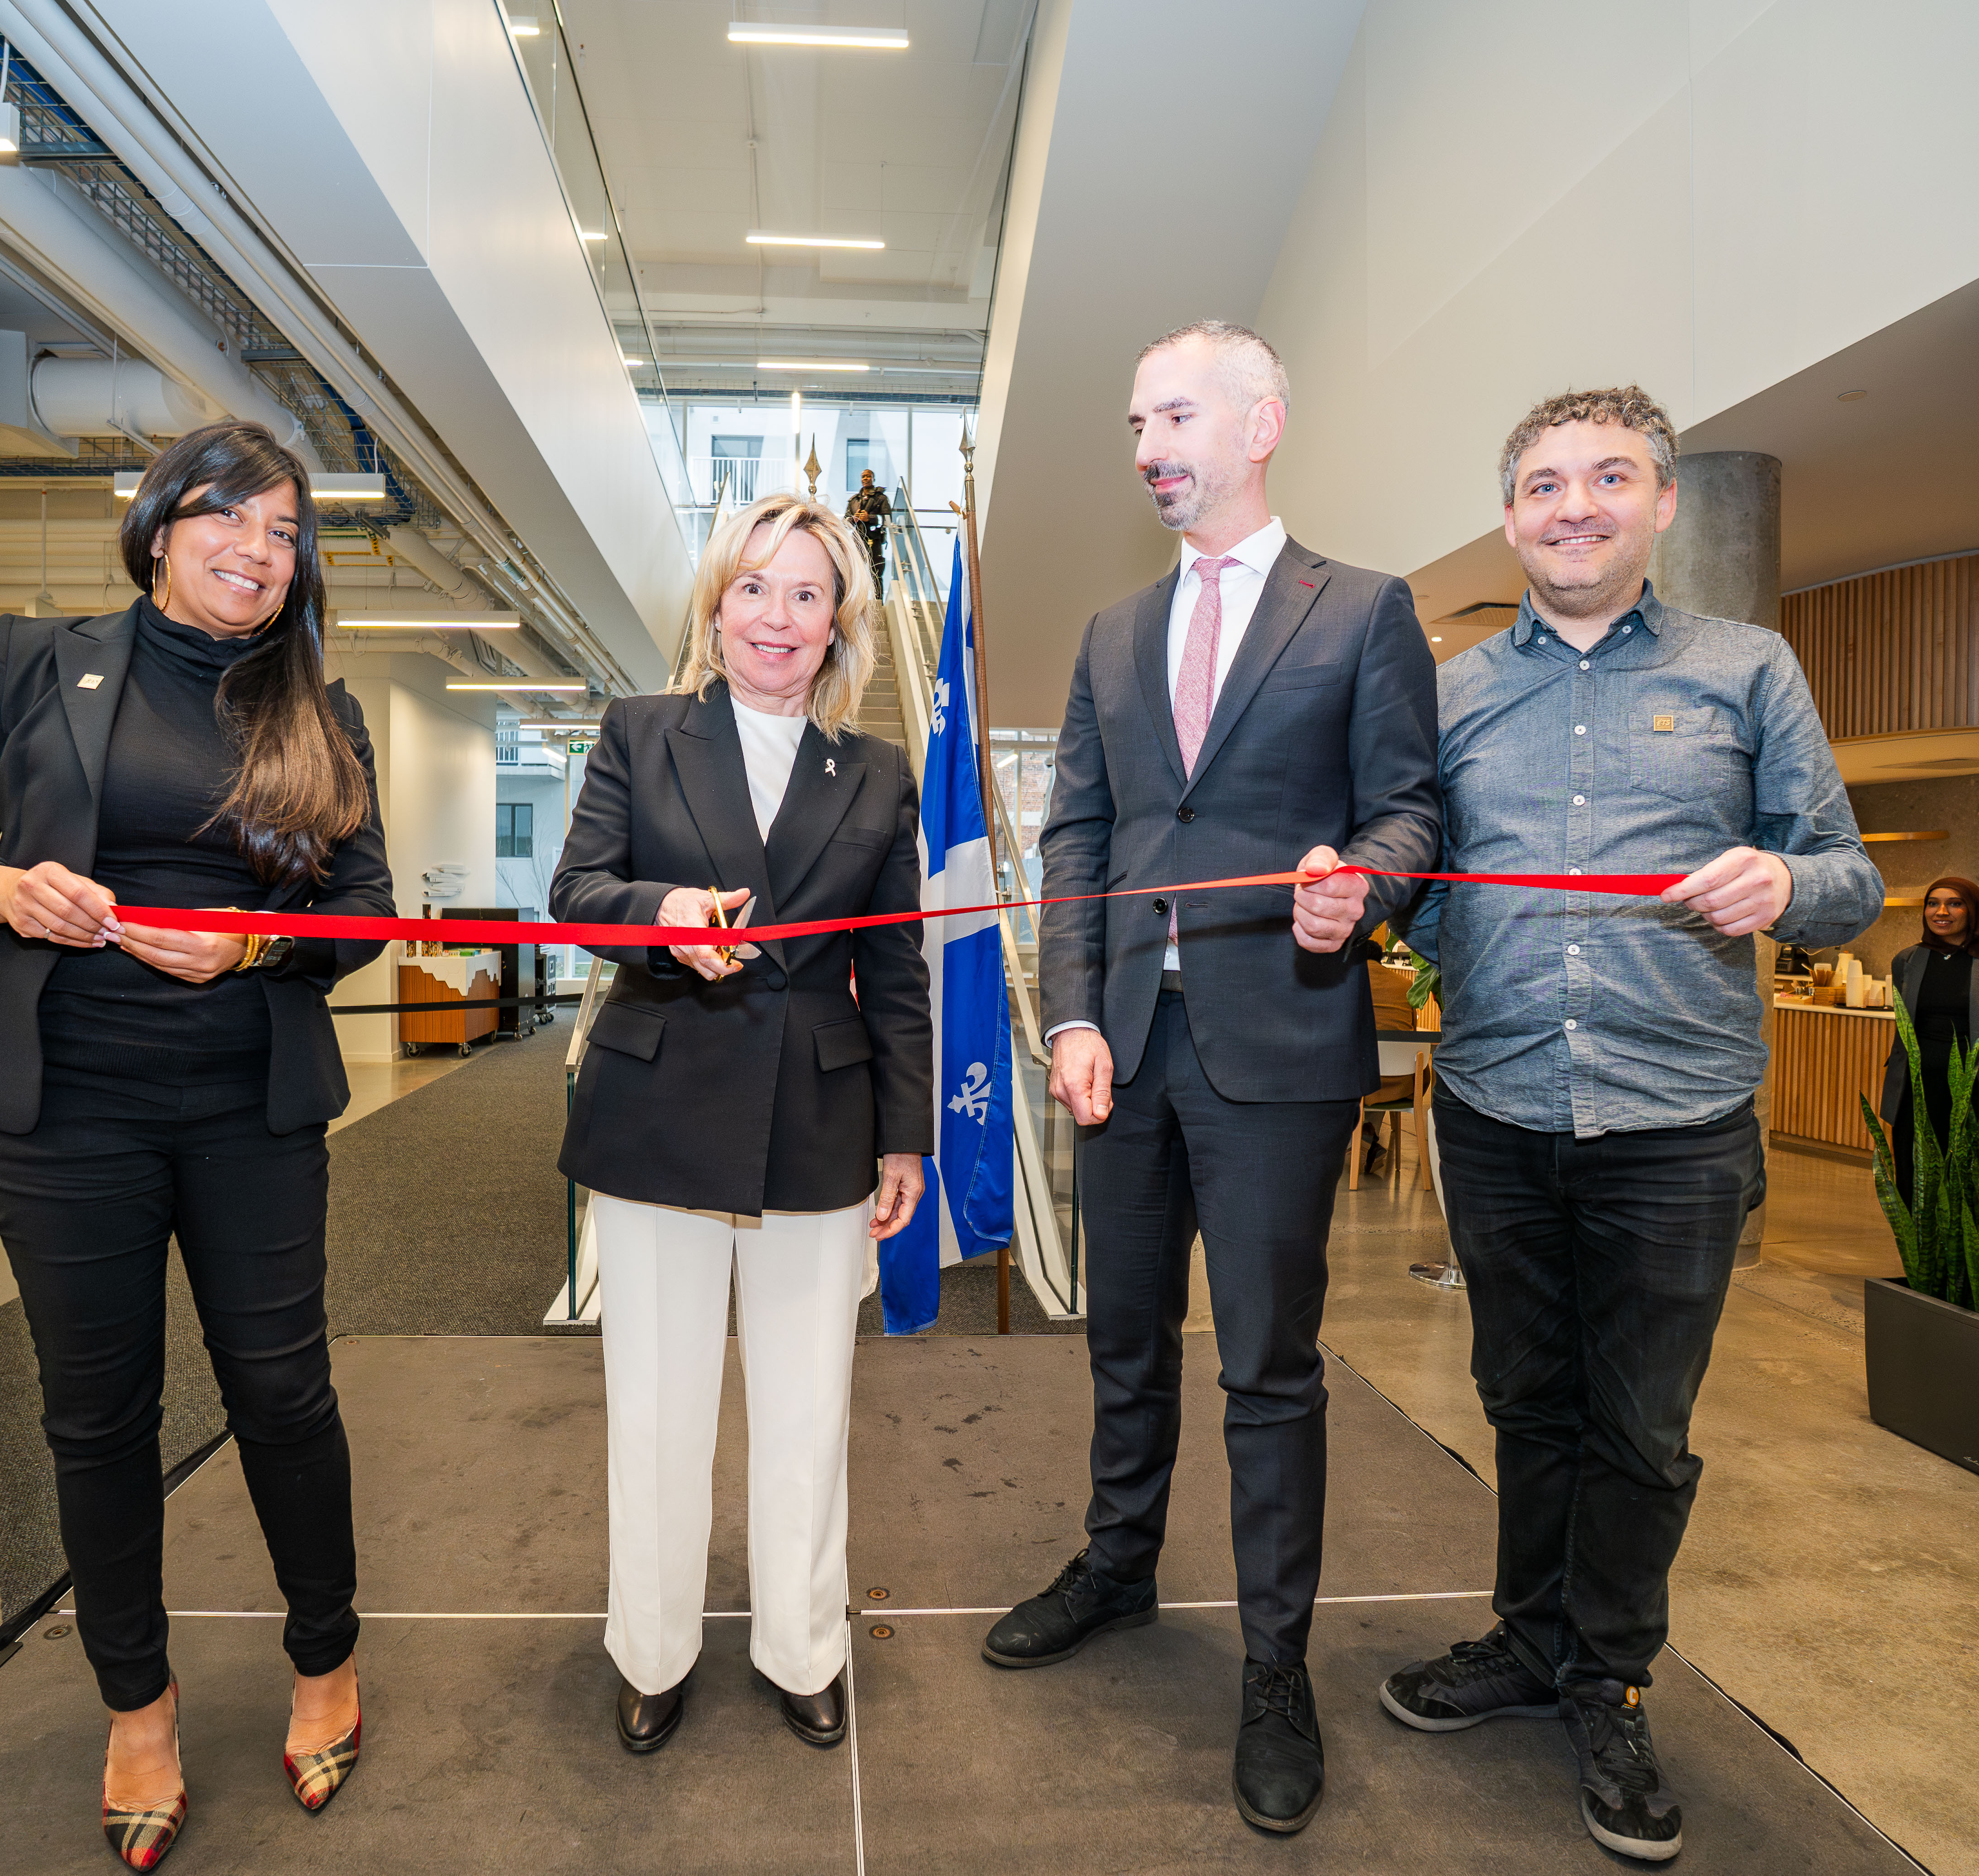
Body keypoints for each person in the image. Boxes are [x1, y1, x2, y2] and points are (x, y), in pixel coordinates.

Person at [0, 421, 392, 1869]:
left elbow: (368, 908)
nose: (256, 549)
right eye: (229, 516)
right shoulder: (31, 663)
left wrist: (253, 946)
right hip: (62, 1107)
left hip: (249, 1102)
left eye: (286, 532)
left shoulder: (318, 708)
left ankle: (325, 1658)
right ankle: (138, 1704)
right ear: (161, 525)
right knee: (95, 1414)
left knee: (284, 1394)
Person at [1379, 388, 1879, 1862]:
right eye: (1542, 483)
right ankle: (1528, 1639)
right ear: (1512, 514)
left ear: (1660, 502)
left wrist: (1789, 891)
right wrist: (1354, 887)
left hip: (1678, 1127)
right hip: (1494, 1107)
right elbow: (1413, 873)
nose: (1572, 504)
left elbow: (1843, 870)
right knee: (1526, 1402)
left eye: (1607, 477)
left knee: (1642, 1429)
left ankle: (1608, 1674)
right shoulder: (1454, 692)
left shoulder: (1748, 668)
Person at [987, 320, 1441, 1834]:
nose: (1145, 446)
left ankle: (1272, 1660)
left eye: (1172, 414)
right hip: (1127, 1040)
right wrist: (1067, 1012)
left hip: (1281, 1041)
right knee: (1122, 1334)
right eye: (1133, 423)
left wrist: (1359, 887)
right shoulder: (1115, 632)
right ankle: (1118, 1564)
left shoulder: (1364, 610)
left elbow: (1406, 813)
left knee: (1267, 1363)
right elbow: (1081, 839)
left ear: (1262, 422)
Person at [552, 491, 932, 1757]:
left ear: (841, 626)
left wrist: (907, 1137)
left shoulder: (878, 772)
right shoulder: (641, 731)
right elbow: (578, 895)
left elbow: (899, 969)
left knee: (808, 1409)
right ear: (719, 606)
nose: (779, 617)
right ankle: (651, 1654)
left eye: (808, 594)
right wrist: (660, 912)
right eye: (756, 588)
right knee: (655, 1409)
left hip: (819, 1119)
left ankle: (803, 1648)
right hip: (661, 1106)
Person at [1876, 876, 1979, 1188]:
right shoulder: (1908, 959)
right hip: (1916, 1086)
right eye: (1933, 903)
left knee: (1968, 1183)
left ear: (1974, 911)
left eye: (1955, 904)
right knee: (1914, 1178)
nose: (1941, 912)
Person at [845, 468, 892, 588]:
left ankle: (878, 604)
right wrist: (854, 519)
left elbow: (887, 520)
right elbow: (845, 521)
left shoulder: (881, 498)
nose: (866, 479)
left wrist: (870, 518)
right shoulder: (854, 500)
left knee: (876, 573)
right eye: (863, 477)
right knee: (855, 574)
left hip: (874, 541)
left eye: (868, 476)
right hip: (858, 541)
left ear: (873, 479)